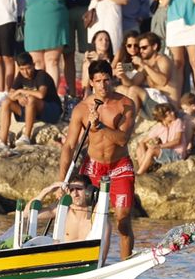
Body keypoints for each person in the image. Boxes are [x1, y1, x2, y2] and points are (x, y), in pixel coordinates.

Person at [59, 59, 137, 256]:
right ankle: (87, 262)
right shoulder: (81, 109)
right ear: (91, 82)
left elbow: (122, 140)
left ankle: (124, 266)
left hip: (119, 166)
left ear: (112, 80)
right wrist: (62, 180)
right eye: (99, 81)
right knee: (87, 217)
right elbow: (69, 145)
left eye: (107, 80)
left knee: (123, 221)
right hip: (93, 167)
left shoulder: (125, 104)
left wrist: (100, 126)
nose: (103, 85)